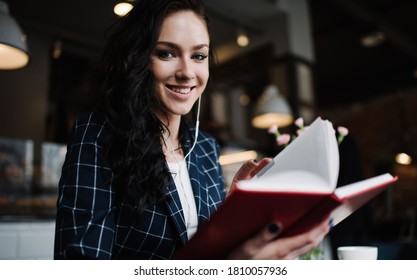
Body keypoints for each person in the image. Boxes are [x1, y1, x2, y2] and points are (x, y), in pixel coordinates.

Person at [54, 0, 329, 260]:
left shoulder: (205, 145)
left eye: (198, 55)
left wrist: (230, 218)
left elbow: (203, 253)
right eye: (166, 53)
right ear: (139, 59)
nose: (187, 72)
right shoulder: (99, 132)